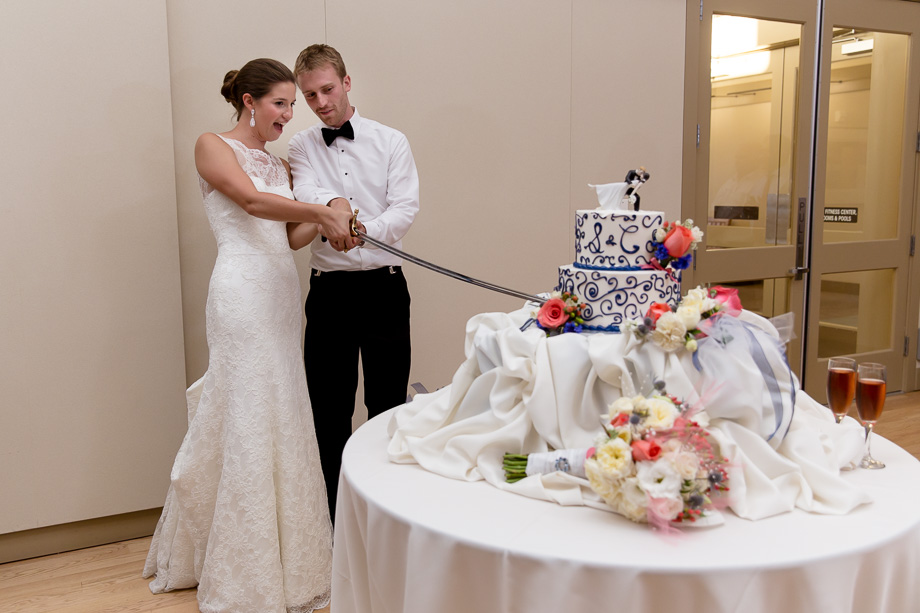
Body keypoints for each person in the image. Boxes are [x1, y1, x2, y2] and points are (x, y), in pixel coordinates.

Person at [143, 58, 357, 613]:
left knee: (283, 410)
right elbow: (254, 204)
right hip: (240, 295)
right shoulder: (212, 145)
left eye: (293, 103)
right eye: (281, 103)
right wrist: (321, 207)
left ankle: (293, 560)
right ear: (248, 101)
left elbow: (288, 236)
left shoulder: (278, 162)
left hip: (282, 298)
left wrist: (333, 214)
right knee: (246, 411)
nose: (291, 114)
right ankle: (243, 567)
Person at [288, 44, 419, 522]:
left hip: (384, 288)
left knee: (385, 405)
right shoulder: (301, 146)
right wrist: (335, 209)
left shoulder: (392, 141)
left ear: (346, 82)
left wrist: (357, 229)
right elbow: (304, 193)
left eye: (327, 89)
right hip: (329, 294)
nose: (321, 102)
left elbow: (404, 208)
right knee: (328, 410)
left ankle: (384, 519)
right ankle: (336, 520)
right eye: (309, 96)